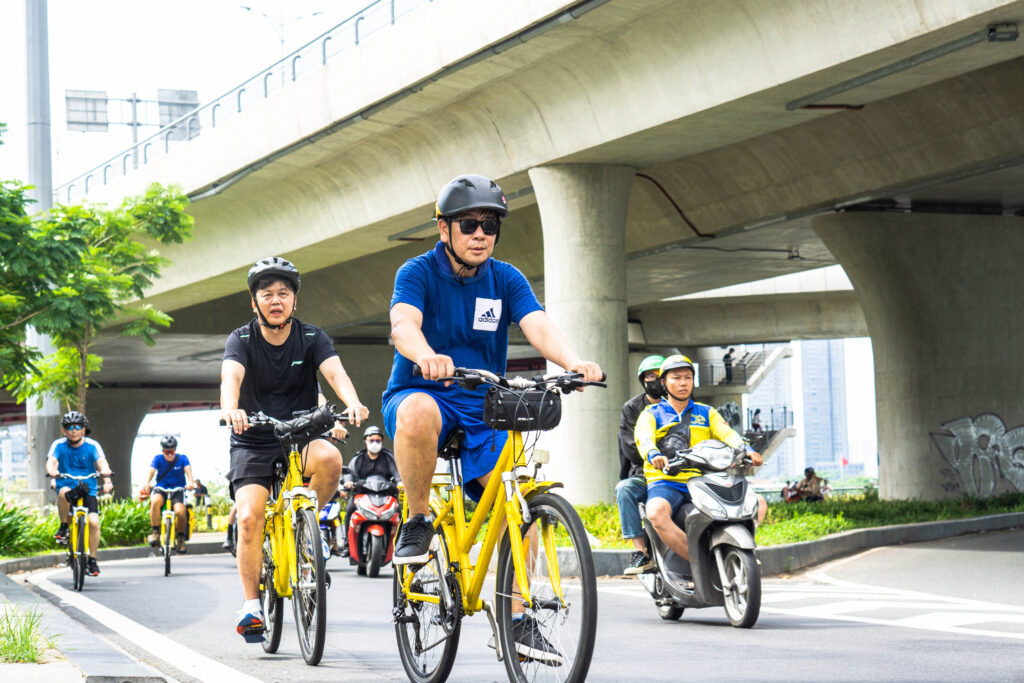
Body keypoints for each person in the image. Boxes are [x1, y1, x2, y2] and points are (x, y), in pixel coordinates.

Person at [383, 173, 602, 662]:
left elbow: (536, 323)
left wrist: (573, 363)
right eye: (469, 224)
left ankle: (516, 618)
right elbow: (403, 324)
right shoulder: (416, 272)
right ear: (445, 229)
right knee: (417, 411)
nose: (480, 233)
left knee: (519, 503)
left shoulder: (506, 278)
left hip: (484, 403)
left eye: (490, 225)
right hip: (424, 391)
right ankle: (418, 521)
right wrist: (425, 356)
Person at [220, 256, 369, 643]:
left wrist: (351, 401)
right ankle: (252, 605)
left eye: (283, 293)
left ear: (294, 302)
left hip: (301, 434)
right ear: (254, 303)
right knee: (251, 518)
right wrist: (230, 410)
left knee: (331, 458)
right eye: (266, 294)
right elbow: (230, 378)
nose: (275, 300)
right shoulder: (242, 339)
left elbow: (336, 373)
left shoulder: (312, 337)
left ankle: (306, 536)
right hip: (253, 437)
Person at [634, 355, 767, 580]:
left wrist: (746, 450)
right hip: (667, 483)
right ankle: (701, 562)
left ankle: (738, 550)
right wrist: (654, 454)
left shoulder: (706, 412)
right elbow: (643, 438)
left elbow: (727, 434)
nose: (684, 382)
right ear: (664, 383)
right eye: (676, 378)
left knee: (758, 503)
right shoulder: (651, 414)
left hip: (703, 481)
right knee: (655, 512)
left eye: (688, 377)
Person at [46, 411, 113, 578]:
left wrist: (106, 478)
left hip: (87, 488)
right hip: (67, 485)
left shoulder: (92, 445)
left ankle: (91, 559)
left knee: (94, 523)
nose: (74, 430)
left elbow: (101, 462)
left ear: (83, 429)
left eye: (77, 427)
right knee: (63, 493)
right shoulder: (59, 445)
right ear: (64, 431)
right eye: (69, 427)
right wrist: (52, 472)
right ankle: (63, 528)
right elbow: (51, 461)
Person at [617, 355, 664, 575]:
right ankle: (641, 552)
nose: (656, 380)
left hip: (681, 473)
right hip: (645, 473)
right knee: (625, 489)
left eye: (660, 375)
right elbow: (631, 447)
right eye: (650, 376)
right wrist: (655, 456)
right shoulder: (633, 409)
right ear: (643, 380)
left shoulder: (687, 406)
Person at [340, 425, 401, 554]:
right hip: (363, 494)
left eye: (378, 441)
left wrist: (400, 482)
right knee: (349, 510)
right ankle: (347, 543)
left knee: (400, 512)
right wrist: (349, 482)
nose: (374, 443)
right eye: (371, 440)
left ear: (382, 442)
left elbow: (397, 474)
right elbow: (350, 473)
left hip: (386, 494)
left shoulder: (389, 457)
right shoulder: (358, 458)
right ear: (365, 441)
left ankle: (401, 543)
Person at [139, 435, 195, 553]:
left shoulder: (183, 458)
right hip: (161, 488)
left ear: (175, 450)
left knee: (180, 511)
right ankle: (155, 533)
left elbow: (188, 472)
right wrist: (147, 482)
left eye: (172, 451)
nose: (169, 454)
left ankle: (180, 539)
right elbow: (151, 471)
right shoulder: (158, 459)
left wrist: (190, 483)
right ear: (163, 451)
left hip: (178, 490)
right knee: (154, 502)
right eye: (167, 451)